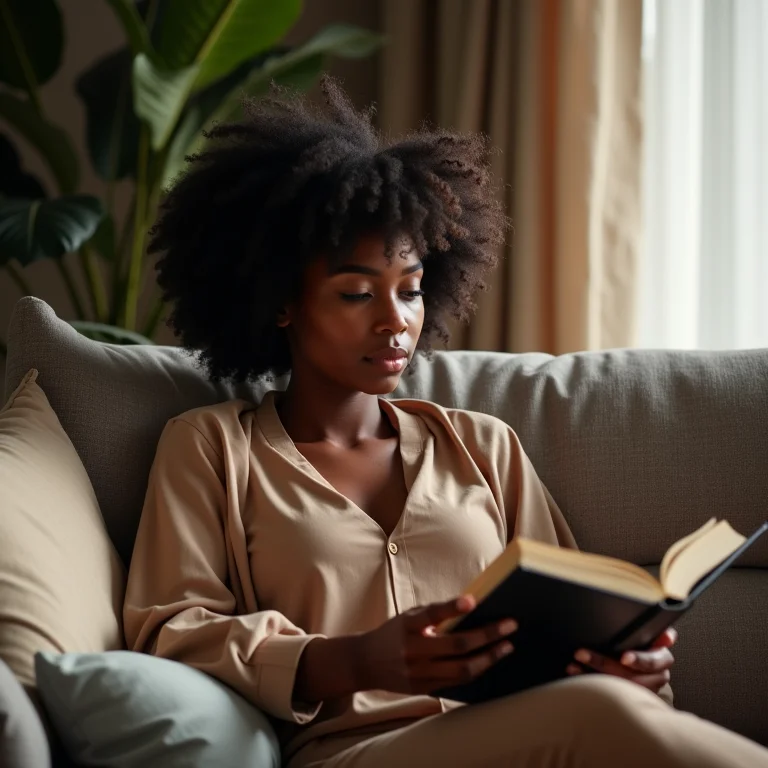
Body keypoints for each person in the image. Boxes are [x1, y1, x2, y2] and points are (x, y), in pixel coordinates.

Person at [124, 77, 768, 768]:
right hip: (353, 751)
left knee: (612, 703)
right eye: (356, 293)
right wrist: (355, 661)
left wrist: (623, 664)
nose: (394, 321)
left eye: (411, 291)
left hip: (532, 736)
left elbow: (573, 613)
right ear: (281, 302)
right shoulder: (213, 447)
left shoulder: (483, 445)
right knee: (600, 714)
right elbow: (174, 630)